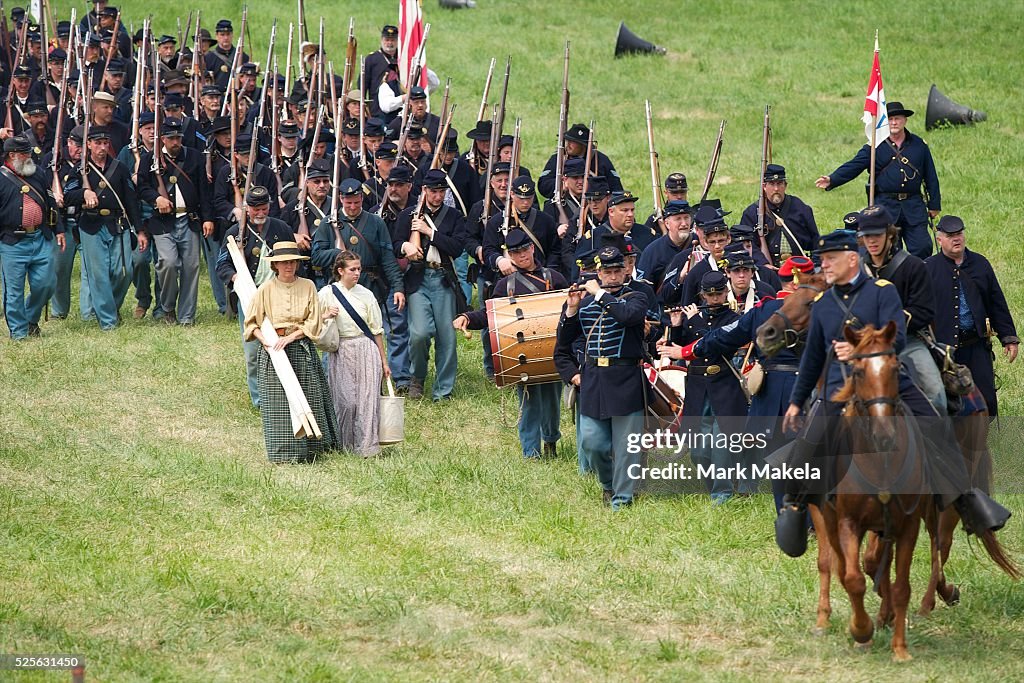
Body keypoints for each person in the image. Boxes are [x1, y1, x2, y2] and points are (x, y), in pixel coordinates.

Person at [776, 230, 1010, 556]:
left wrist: (860, 347)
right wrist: (796, 402)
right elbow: (814, 356)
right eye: (824, 259)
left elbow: (897, 337)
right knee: (803, 451)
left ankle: (965, 496)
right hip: (838, 390)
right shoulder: (824, 304)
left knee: (935, 426)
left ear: (851, 259)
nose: (824, 265)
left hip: (886, 380)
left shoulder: (881, 293)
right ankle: (797, 505)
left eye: (830, 259)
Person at [455, 229, 569, 459]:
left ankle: (551, 441)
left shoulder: (554, 278)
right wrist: (468, 318)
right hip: (522, 354)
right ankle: (531, 451)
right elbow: (492, 315)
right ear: (510, 255)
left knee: (551, 402)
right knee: (529, 403)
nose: (522, 255)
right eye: (515, 252)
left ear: (532, 248)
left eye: (525, 249)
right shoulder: (505, 286)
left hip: (550, 352)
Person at [556, 246, 646, 508]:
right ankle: (608, 485)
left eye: (618, 270)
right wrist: (571, 311)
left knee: (627, 447)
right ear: (599, 272)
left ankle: (623, 498)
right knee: (593, 443)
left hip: (627, 377)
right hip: (594, 378)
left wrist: (599, 293)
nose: (614, 276)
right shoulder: (584, 303)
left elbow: (627, 316)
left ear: (625, 270)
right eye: (608, 271)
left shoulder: (636, 297)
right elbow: (563, 345)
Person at [245, 240, 339, 463]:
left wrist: (291, 337)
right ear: (275, 266)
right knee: (277, 401)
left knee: (309, 395)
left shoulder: (307, 286)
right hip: (274, 352)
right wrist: (266, 341)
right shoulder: (265, 289)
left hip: (300, 347)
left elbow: (314, 321)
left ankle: (312, 450)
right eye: (283, 263)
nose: (288, 266)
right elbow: (251, 324)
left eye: (292, 262)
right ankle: (283, 453)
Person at [660, 271, 749, 503]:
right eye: (709, 295)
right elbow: (679, 347)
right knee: (699, 452)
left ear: (726, 292)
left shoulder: (733, 319)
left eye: (719, 294)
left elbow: (718, 343)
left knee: (721, 446)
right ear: (702, 295)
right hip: (698, 388)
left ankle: (723, 493)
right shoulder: (695, 316)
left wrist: (696, 321)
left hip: (724, 388)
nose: (715, 299)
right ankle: (714, 487)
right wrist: (678, 324)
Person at [815, 101, 940, 258]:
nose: (894, 122)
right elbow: (855, 165)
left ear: (905, 120)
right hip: (886, 206)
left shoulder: (919, 145)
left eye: (898, 118)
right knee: (890, 251)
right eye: (890, 119)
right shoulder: (874, 145)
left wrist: (934, 205)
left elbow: (931, 176)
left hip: (913, 206)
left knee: (923, 248)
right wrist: (832, 179)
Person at [925, 215, 1018, 416]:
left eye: (959, 233)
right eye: (950, 235)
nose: (956, 238)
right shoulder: (928, 268)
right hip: (944, 349)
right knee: (946, 403)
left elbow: (996, 302)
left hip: (976, 345)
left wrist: (1008, 337)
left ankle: (979, 442)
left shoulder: (980, 264)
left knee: (986, 401)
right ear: (939, 239)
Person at [856, 204, 945, 413]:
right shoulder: (856, 269)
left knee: (936, 395)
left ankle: (940, 445)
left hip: (908, 341)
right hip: (864, 344)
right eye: (866, 236)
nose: (871, 241)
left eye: (877, 235)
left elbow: (923, 310)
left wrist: (891, 324)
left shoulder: (913, 266)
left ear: (889, 234)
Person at [217, 186, 295, 408]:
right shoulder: (234, 232)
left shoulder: (282, 229)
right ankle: (259, 399)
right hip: (249, 297)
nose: (260, 213)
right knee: (253, 350)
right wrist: (236, 279)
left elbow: (293, 261)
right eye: (255, 209)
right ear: (247, 209)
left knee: (282, 345)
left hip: (279, 295)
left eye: (264, 208)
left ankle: (283, 393)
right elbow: (221, 263)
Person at [394, 169, 467, 401]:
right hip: (418, 278)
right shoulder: (408, 215)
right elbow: (395, 243)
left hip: (442, 278)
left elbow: (457, 247)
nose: (437, 196)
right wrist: (406, 246)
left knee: (447, 337)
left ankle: (442, 390)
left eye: (441, 191)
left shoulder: (454, 217)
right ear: (424, 191)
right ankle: (417, 377)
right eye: (433, 191)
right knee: (419, 333)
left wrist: (429, 232)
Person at [63, 126, 142, 331]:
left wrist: (139, 229)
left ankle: (108, 308)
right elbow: (67, 196)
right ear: (88, 144)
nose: (102, 147)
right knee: (98, 274)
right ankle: (108, 321)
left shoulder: (119, 167)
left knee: (123, 272)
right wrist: (84, 193)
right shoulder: (79, 169)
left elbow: (131, 200)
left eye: (105, 143)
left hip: (118, 224)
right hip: (91, 224)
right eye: (97, 143)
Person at [136, 118, 215, 326]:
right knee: (167, 263)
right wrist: (156, 198)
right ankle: (168, 307)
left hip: (189, 218)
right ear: (163, 139)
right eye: (171, 138)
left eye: (178, 137)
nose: (175, 142)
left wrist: (207, 218)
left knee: (191, 267)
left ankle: (187, 316)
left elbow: (204, 192)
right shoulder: (148, 159)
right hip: (162, 222)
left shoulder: (194, 157)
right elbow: (141, 187)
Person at [319, 251, 391, 456]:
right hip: (341, 349)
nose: (357, 273)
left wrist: (384, 361)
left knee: (368, 399)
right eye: (352, 269)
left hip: (366, 347)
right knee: (345, 401)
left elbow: (376, 330)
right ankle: (344, 444)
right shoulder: (327, 293)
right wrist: (326, 314)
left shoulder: (367, 294)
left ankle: (367, 446)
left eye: (359, 269)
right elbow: (313, 320)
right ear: (340, 271)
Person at [0, 136, 62, 340]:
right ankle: (19, 333)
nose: (30, 157)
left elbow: (51, 201)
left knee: (47, 284)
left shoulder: (39, 174)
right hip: (11, 241)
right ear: (12, 155)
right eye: (25, 153)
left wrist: (59, 229)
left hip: (40, 236)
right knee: (14, 291)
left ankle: (30, 318)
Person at [740, 164, 819, 265]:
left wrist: (815, 264)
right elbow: (747, 244)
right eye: (772, 184)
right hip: (768, 270)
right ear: (764, 186)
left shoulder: (800, 208)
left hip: (800, 266)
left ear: (785, 185)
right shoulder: (751, 213)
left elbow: (816, 240)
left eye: (779, 183)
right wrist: (763, 264)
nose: (776, 189)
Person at [537, 122, 622, 199]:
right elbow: (543, 185)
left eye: (573, 142)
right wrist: (562, 186)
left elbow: (616, 189)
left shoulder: (601, 160)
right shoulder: (558, 159)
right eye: (568, 140)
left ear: (583, 145)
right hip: (563, 204)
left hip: (593, 206)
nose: (568, 144)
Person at [635, 199, 694, 291]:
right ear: (667, 223)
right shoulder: (652, 251)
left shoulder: (697, 243)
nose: (684, 223)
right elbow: (644, 288)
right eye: (678, 219)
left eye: (686, 218)